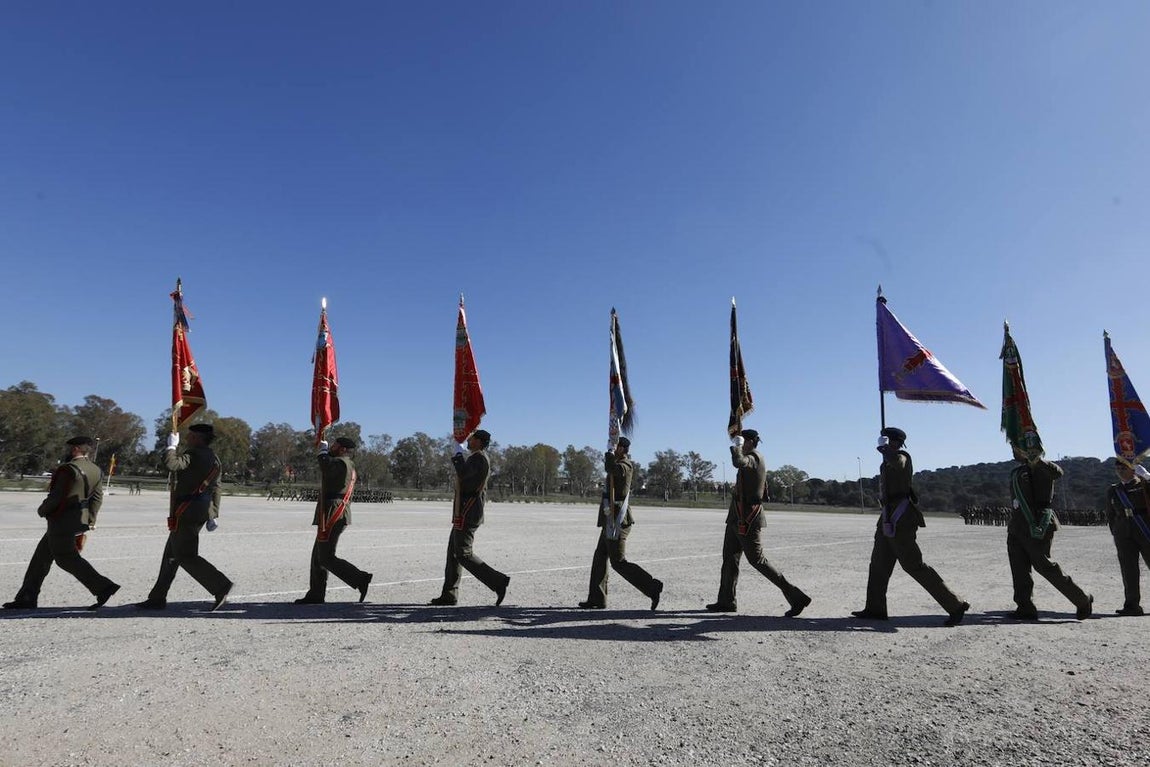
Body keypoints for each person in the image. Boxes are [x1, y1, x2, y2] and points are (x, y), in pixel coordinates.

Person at [851, 427, 969, 627]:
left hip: (901, 517)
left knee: (913, 564)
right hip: (888, 513)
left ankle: (955, 605)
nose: (882, 441)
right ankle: (875, 608)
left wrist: (886, 450)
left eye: (886, 439)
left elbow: (898, 462)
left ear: (893, 441)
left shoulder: (902, 456)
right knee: (878, 564)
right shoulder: (888, 460)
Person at [3, 436, 120, 610]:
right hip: (79, 518)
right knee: (41, 558)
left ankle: (103, 587)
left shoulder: (68, 469)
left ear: (75, 450)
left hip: (61, 520)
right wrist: (91, 519)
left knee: (66, 558)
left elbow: (57, 496)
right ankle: (27, 596)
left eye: (70, 448)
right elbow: (97, 497)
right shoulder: (95, 469)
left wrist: (42, 510)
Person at [706, 429, 810, 616]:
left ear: (752, 442)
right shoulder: (751, 456)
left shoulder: (754, 458)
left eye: (744, 441)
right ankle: (726, 601)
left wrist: (736, 447)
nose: (742, 444)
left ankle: (795, 596)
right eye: (740, 441)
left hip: (748, 517)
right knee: (729, 559)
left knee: (758, 560)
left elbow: (738, 462)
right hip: (736, 516)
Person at [136, 424, 233, 611]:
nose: (187, 438)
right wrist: (213, 513)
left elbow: (172, 465)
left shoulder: (195, 454)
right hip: (200, 509)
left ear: (198, 438)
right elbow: (217, 486)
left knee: (185, 555)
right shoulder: (215, 458)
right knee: (171, 555)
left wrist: (171, 447)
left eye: (190, 435)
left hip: (186, 510)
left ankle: (220, 585)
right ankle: (157, 597)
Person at [1004, 447, 1093, 620]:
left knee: (1044, 565)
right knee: (1019, 568)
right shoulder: (1017, 472)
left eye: (1018, 447)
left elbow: (1057, 472)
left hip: (1037, 523)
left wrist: (1035, 459)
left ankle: (1082, 599)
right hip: (1017, 525)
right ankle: (1025, 607)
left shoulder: (1042, 468)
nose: (1014, 451)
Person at [578, 437, 664, 610]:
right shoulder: (617, 462)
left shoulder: (626, 465)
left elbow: (612, 468)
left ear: (623, 449)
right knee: (600, 557)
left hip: (618, 521)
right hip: (610, 519)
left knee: (618, 562)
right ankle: (597, 598)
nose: (612, 448)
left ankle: (652, 587)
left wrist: (609, 453)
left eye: (615, 446)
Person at [429, 429, 510, 606]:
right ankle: (449, 594)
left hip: (469, 510)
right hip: (465, 510)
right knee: (453, 553)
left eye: (472, 437)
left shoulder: (479, 458)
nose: (469, 439)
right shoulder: (476, 457)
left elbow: (464, 476)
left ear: (479, 441)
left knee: (463, 553)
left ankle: (498, 581)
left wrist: (458, 455)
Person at [295, 437, 372, 604]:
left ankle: (360, 578)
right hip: (331, 511)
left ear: (343, 449)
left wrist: (322, 452)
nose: (332, 447)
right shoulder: (344, 462)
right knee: (318, 556)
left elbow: (326, 467)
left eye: (336, 445)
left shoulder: (342, 463)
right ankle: (316, 593)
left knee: (325, 557)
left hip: (333, 514)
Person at [1104, 462, 1150, 616]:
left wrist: (1147, 476)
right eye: (1117, 468)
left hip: (1144, 529)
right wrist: (1115, 531)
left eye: (1123, 468)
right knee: (1128, 570)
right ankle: (1132, 605)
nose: (1120, 471)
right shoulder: (1114, 489)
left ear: (1133, 469)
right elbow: (1110, 513)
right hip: (1123, 533)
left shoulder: (1144, 484)